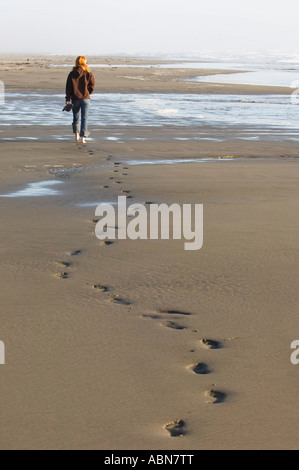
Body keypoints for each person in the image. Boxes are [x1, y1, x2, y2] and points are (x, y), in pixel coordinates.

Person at [65, 56, 95, 144]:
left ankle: (76, 134)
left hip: (75, 98)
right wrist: (88, 92)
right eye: (86, 61)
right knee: (84, 118)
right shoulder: (88, 73)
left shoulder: (71, 74)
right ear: (83, 62)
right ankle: (83, 137)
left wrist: (67, 99)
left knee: (76, 117)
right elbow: (92, 85)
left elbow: (68, 88)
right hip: (85, 98)